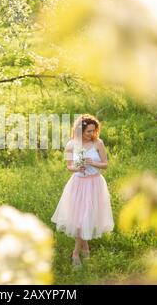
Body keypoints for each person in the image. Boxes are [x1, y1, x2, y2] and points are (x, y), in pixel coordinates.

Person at [51, 114, 114, 266]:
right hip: (78, 184)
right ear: (80, 131)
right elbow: (69, 166)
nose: (92, 134)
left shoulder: (98, 143)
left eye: (94, 131)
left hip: (95, 184)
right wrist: (77, 167)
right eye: (88, 131)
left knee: (87, 218)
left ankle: (82, 250)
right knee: (79, 220)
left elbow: (105, 164)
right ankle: (77, 253)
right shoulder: (71, 145)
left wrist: (93, 163)